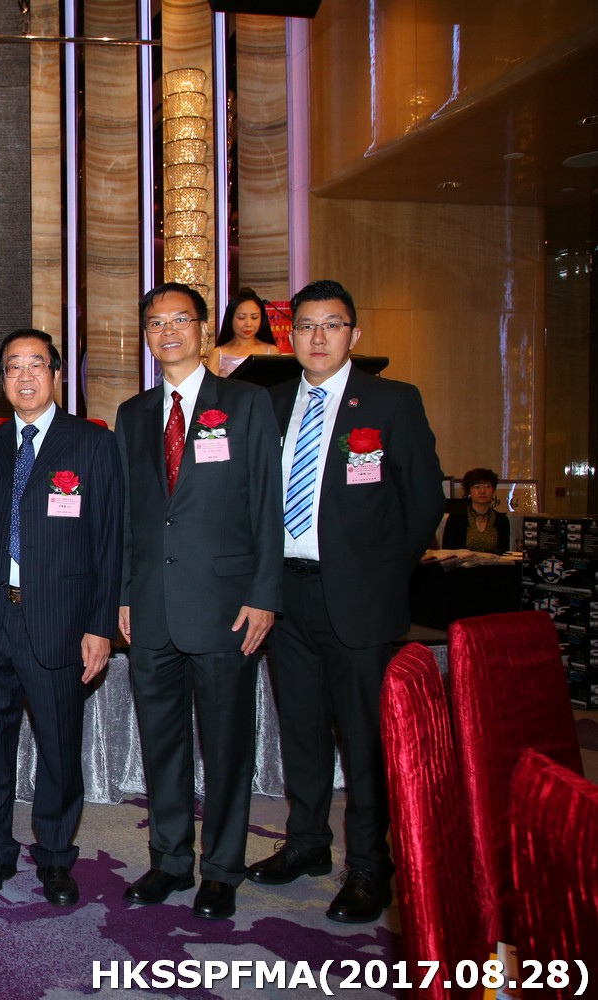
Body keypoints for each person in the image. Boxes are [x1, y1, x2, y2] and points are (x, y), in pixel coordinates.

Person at [248, 279, 443, 923]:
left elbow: (424, 501)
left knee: (363, 739)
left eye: (332, 325)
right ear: (291, 336)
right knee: (301, 730)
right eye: (306, 325)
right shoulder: (271, 403)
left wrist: (380, 575)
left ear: (353, 334)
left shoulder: (391, 401)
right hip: (285, 596)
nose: (318, 337)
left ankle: (369, 866)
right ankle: (306, 843)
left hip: (359, 600)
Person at [115, 283, 283, 920]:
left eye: (179, 319)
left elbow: (266, 503)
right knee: (161, 744)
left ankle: (222, 868)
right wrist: (124, 595)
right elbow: (129, 516)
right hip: (152, 607)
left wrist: (264, 594)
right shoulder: (133, 414)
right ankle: (168, 860)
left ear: (204, 329)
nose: (167, 331)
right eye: (155, 323)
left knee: (227, 745)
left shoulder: (245, 403)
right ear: (146, 336)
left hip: (225, 608)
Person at [0, 329, 122, 906]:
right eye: (13, 366)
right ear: (2, 380)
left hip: (60, 623)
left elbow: (110, 542)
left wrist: (100, 626)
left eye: (36, 364)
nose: (25, 376)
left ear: (56, 374)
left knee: (58, 748)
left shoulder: (92, 443)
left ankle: (56, 857)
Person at [206, 288, 279, 377]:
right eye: (241, 318)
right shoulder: (218, 354)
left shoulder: (271, 352)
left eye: (254, 317)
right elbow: (210, 385)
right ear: (230, 318)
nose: (248, 324)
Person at [441, 467, 509, 552]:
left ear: (494, 490)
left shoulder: (502, 520)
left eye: (487, 486)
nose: (482, 491)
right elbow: (447, 553)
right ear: (469, 491)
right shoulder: (455, 519)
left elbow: (504, 554)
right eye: (477, 487)